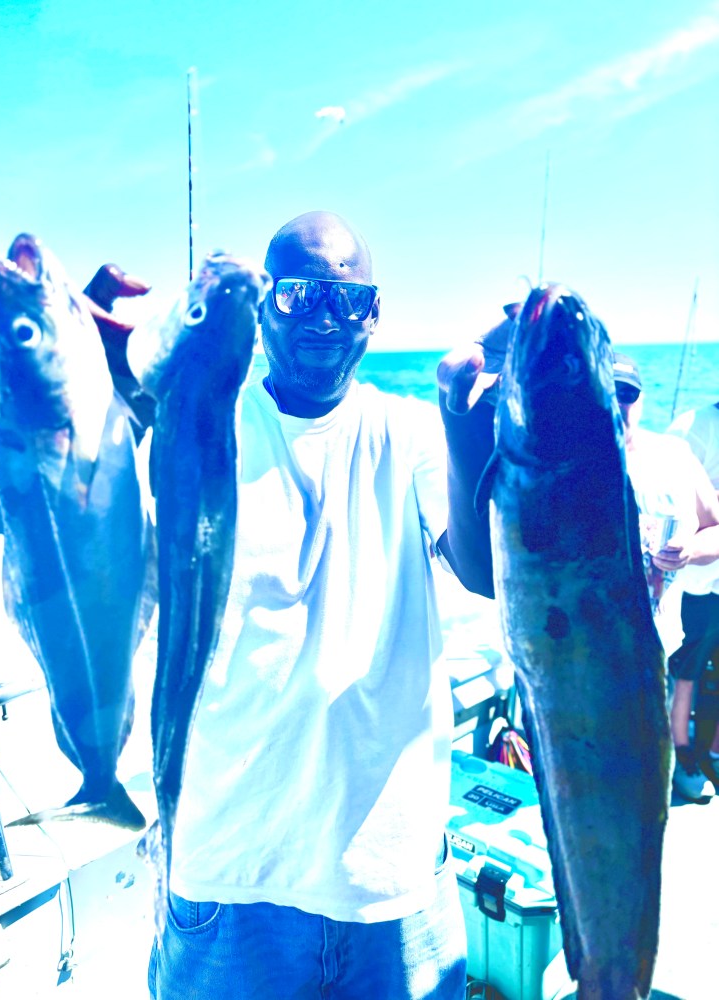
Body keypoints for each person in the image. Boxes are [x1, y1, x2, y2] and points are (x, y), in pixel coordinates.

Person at [130, 211, 495, 1000]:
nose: (324, 318)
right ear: (260, 309)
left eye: (347, 299)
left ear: (374, 314)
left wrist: (465, 420)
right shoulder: (202, 426)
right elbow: (123, 567)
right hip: (231, 869)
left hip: (389, 878)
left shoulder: (411, 432)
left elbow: (485, 570)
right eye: (297, 296)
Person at [613, 353, 719, 802]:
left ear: (640, 399)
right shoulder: (563, 465)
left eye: (626, 394)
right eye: (606, 392)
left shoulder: (673, 454)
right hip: (589, 656)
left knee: (643, 784)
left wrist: (691, 550)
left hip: (657, 648)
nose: (616, 405)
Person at [667, 399, 719, 791]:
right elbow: (664, 497)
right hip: (697, 583)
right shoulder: (692, 426)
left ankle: (711, 751)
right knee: (687, 669)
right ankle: (681, 755)